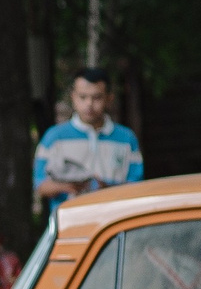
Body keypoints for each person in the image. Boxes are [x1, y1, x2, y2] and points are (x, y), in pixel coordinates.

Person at [33, 67, 144, 210]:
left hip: (114, 217)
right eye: (83, 97)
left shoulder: (126, 138)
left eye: (96, 97)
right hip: (69, 218)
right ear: (73, 97)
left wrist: (106, 188)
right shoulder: (54, 137)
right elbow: (40, 185)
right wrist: (70, 186)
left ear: (109, 98)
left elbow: (137, 186)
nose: (89, 104)